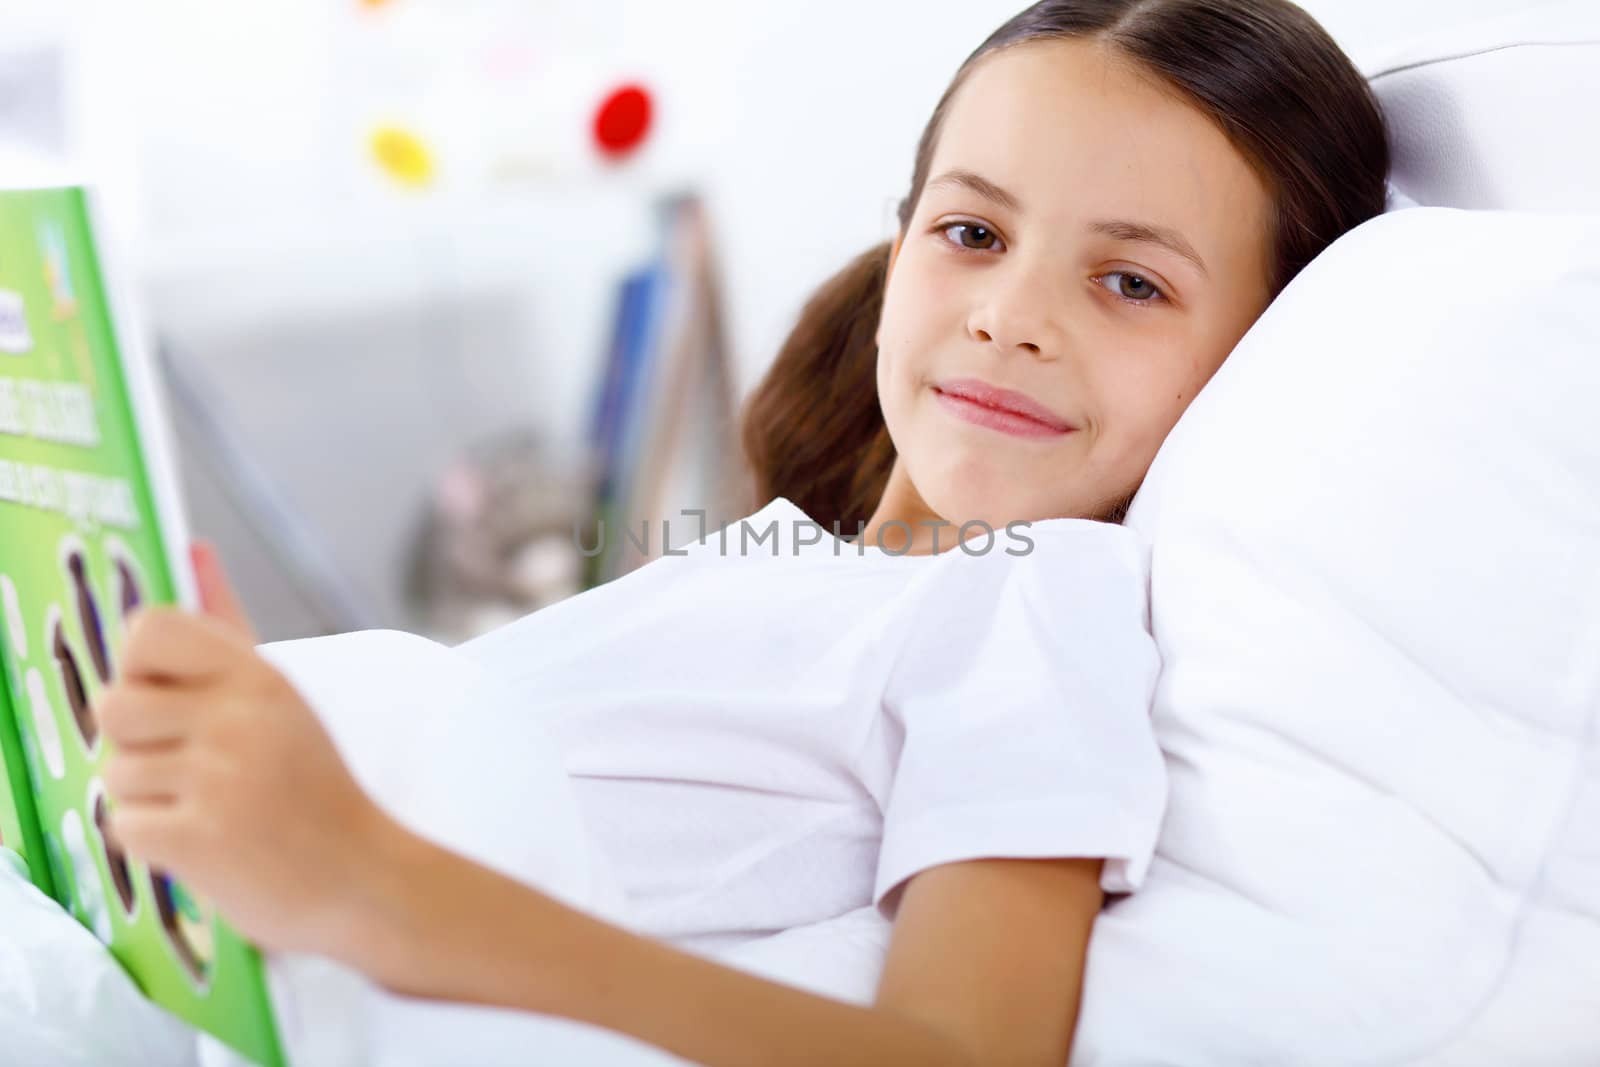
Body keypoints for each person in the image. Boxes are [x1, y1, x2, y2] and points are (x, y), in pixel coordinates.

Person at [94, 1, 1388, 1063]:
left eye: (1130, 281)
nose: (1010, 314)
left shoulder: (1034, 599)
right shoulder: (792, 563)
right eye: (973, 232)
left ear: (1261, 352)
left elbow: (966, 1051)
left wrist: (370, 883)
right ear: (899, 256)